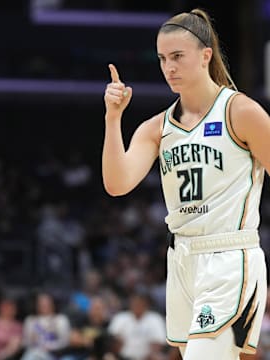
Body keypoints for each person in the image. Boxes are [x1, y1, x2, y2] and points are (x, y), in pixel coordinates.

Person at [102, 7, 270, 360]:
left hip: (228, 254)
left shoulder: (239, 112)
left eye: (178, 56)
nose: (169, 67)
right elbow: (117, 184)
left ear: (206, 55)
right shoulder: (156, 128)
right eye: (163, 59)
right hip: (181, 258)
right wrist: (113, 119)